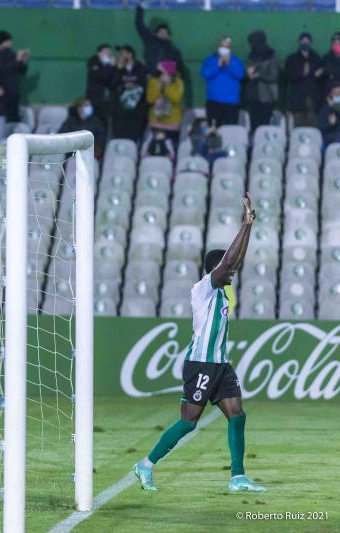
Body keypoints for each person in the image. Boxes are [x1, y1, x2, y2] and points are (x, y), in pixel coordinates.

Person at [133, 194, 266, 495]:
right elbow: (229, 260)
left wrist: (250, 227)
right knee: (190, 421)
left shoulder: (220, 293)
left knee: (237, 414)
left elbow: (236, 259)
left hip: (220, 364)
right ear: (215, 270)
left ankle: (238, 477)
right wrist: (244, 224)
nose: (233, 272)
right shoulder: (204, 289)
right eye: (227, 270)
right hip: (201, 364)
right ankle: (146, 464)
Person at [201, 37, 245, 127]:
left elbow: (240, 75)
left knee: (231, 131)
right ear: (218, 47)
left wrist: (229, 64)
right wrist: (218, 65)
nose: (224, 49)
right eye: (222, 46)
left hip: (231, 103)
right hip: (213, 101)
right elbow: (205, 74)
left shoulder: (236, 61)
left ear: (230, 48)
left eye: (227, 47)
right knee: (213, 129)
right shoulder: (210, 60)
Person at [285, 32, 323, 128]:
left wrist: (319, 74)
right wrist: (303, 74)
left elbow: (321, 78)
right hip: (297, 96)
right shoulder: (291, 59)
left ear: (311, 43)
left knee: (312, 122)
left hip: (312, 96)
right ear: (299, 42)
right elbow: (289, 76)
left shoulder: (317, 58)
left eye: (307, 41)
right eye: (303, 41)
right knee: (297, 123)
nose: (305, 43)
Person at [134, 5, 185, 77]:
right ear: (156, 33)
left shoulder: (174, 50)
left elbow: (179, 66)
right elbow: (139, 24)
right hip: (150, 76)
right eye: (161, 32)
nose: (163, 34)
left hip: (167, 79)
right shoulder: (149, 40)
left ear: (168, 35)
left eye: (165, 32)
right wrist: (140, 9)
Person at [111, 45, 148, 142]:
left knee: (135, 136)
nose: (120, 56)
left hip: (137, 110)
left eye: (123, 53)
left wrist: (134, 86)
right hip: (120, 110)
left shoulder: (140, 67)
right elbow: (112, 85)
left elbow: (144, 83)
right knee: (119, 135)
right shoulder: (116, 68)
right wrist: (118, 69)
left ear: (130, 55)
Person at [244, 31, 280, 132]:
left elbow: (274, 76)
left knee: (265, 125)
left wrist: (259, 75)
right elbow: (245, 73)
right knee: (254, 126)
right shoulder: (250, 56)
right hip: (252, 96)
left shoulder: (271, 56)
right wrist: (248, 73)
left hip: (266, 97)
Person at [0, 30, 29, 123]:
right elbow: (3, 70)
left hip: (13, 92)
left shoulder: (11, 53)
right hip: (1, 95)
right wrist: (17, 59)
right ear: (2, 41)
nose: (11, 43)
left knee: (13, 120)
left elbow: (21, 71)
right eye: (8, 41)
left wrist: (24, 60)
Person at [147, 60, 184, 142]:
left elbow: (177, 98)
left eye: (161, 71)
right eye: (158, 71)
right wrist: (158, 87)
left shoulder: (178, 82)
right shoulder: (153, 81)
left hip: (172, 122)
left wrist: (167, 85)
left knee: (170, 150)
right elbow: (150, 99)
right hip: (156, 122)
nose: (159, 73)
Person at [86, 45, 116, 127]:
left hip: (108, 100)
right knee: (94, 122)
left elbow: (113, 81)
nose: (108, 54)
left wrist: (113, 67)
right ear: (99, 53)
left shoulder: (113, 64)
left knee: (106, 123)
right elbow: (101, 77)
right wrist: (108, 65)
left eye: (109, 51)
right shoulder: (93, 62)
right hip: (95, 99)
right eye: (106, 51)